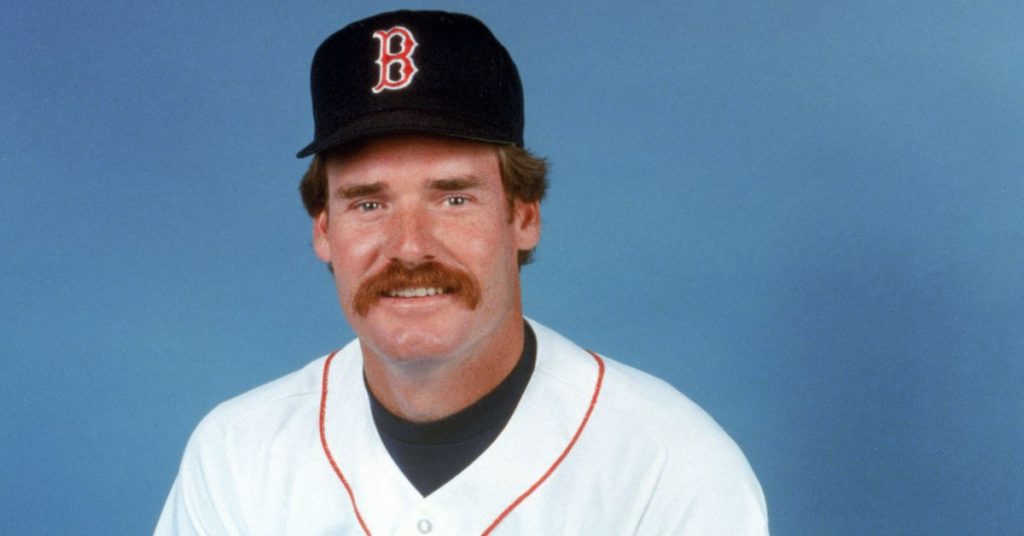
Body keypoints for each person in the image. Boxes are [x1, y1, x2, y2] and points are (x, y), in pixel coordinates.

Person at [156, 9, 768, 535]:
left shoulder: (669, 466)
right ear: (323, 231)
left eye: (453, 198)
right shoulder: (238, 454)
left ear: (523, 216)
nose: (409, 247)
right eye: (368, 204)